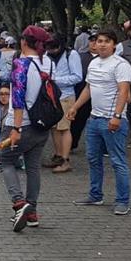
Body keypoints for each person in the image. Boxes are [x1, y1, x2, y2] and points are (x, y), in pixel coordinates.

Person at [66, 29, 131, 215]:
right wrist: (75, 107)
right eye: (99, 41)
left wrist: (117, 116)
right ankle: (95, 195)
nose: (102, 44)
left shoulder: (121, 64)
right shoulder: (94, 63)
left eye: (106, 41)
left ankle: (122, 201)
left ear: (114, 45)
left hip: (112, 120)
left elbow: (124, 91)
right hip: (94, 119)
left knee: (118, 162)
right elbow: (89, 88)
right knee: (93, 158)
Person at [0, 26, 54, 232]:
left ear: (23, 41)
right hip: (43, 123)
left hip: (22, 123)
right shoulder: (47, 62)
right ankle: (32, 212)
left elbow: (18, 99)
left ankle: (19, 203)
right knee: (33, 167)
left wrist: (16, 128)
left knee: (5, 160)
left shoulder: (21, 64)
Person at [42, 38, 83, 173]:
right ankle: (58, 156)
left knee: (64, 128)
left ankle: (65, 160)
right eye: (48, 48)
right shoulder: (47, 55)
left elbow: (77, 77)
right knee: (54, 128)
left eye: (54, 48)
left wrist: (54, 80)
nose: (51, 51)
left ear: (60, 46)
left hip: (66, 96)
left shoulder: (71, 55)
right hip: (51, 96)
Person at [70, 34, 99, 151]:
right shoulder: (80, 56)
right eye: (92, 41)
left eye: (97, 41)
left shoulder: (106, 58)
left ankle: (103, 147)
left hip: (100, 95)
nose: (94, 43)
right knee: (78, 120)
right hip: (82, 92)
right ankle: (72, 143)